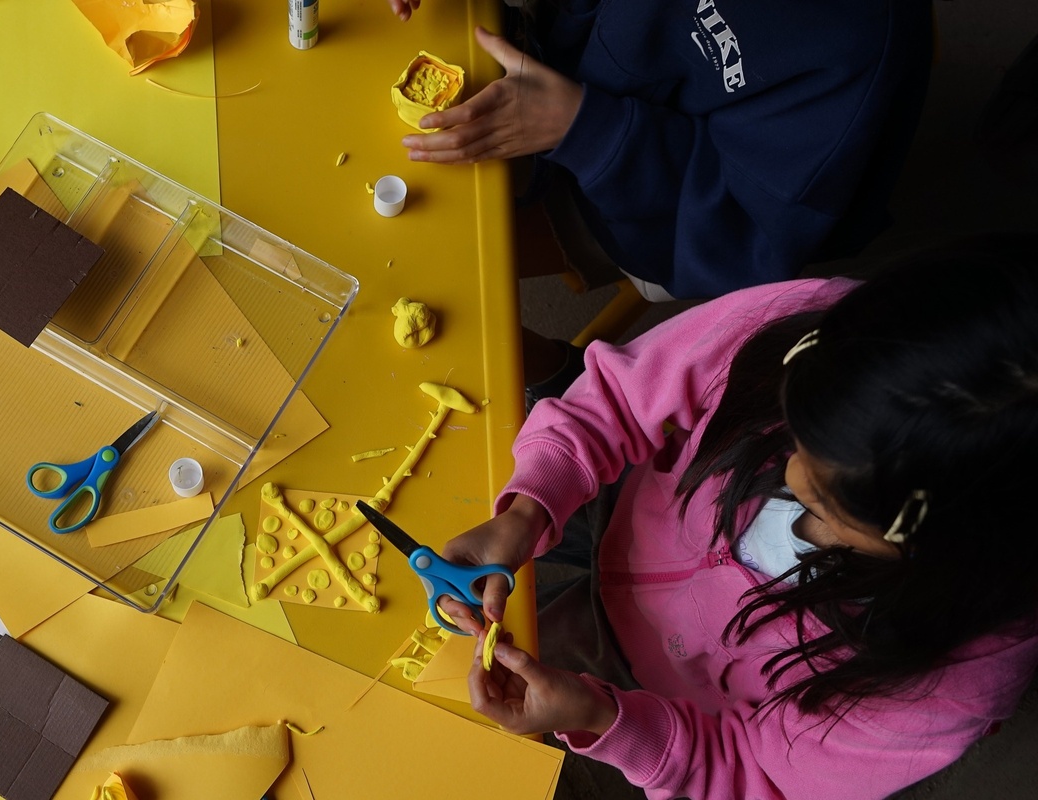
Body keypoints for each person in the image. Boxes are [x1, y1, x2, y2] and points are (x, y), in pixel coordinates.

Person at [436, 238, 1038, 798]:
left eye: (827, 503)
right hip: (636, 517)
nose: (790, 479)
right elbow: (618, 399)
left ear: (942, 554)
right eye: (795, 436)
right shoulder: (820, 329)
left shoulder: (948, 687)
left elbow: (752, 778)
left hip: (664, 713)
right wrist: (529, 506)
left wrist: (602, 720)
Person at [386, 0, 935, 396]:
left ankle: (558, 378)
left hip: (644, 207)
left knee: (419, 274)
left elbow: (742, 243)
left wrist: (583, 129)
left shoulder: (855, 45)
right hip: (562, 59)